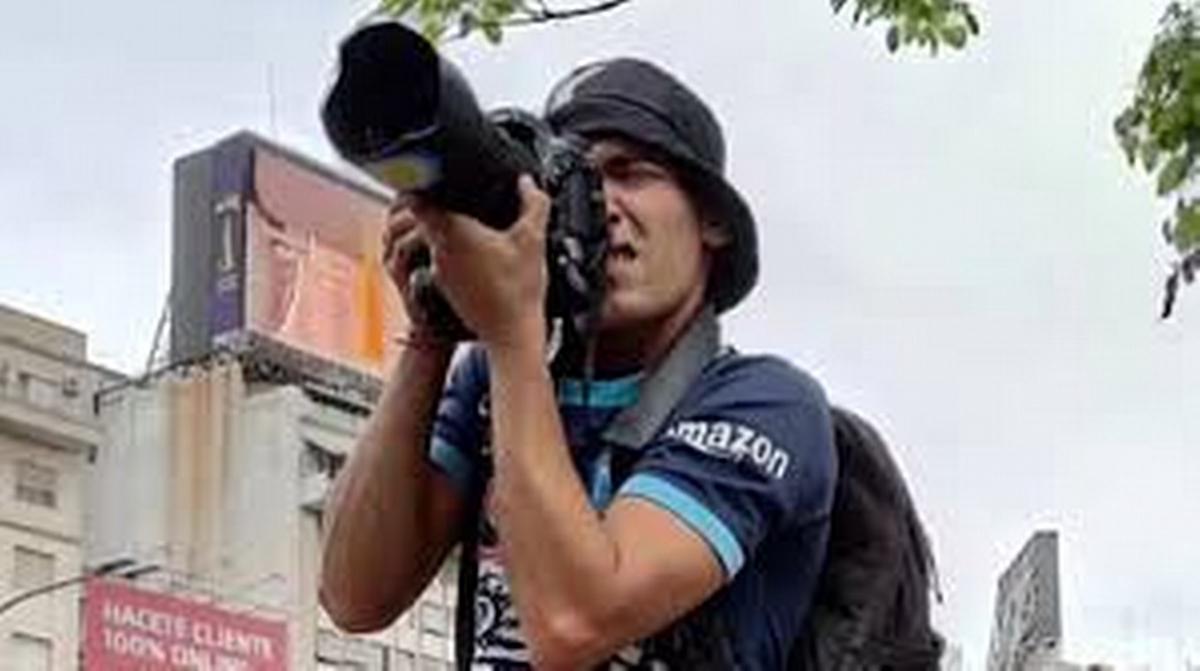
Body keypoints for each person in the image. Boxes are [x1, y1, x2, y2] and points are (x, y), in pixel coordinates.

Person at [319, 58, 837, 671]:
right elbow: (354, 596)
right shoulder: (496, 379)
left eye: (629, 172)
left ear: (713, 221)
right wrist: (432, 332)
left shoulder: (765, 403)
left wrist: (511, 332)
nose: (600, 204)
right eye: (573, 182)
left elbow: (575, 623)